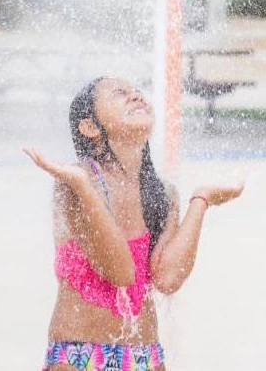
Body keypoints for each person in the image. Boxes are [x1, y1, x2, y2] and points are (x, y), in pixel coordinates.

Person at [22, 76, 244, 371]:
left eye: (137, 91)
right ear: (90, 127)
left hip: (144, 356)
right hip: (79, 355)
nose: (136, 96)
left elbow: (167, 279)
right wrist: (85, 189)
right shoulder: (75, 181)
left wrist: (200, 201)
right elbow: (120, 271)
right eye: (119, 93)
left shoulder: (162, 194)